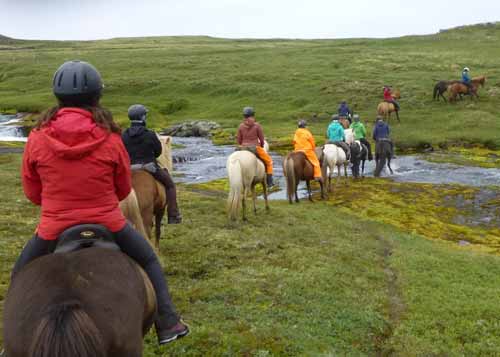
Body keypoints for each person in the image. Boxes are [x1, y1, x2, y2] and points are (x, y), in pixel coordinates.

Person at [13, 60, 189, 345]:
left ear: (57, 96)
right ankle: (167, 321)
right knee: (149, 260)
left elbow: (33, 194)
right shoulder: (110, 136)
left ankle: (14, 342)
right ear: (97, 96)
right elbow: (122, 189)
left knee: (20, 272)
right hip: (109, 223)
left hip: (52, 228)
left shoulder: (36, 137)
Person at [122, 104, 181, 224]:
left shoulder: (124, 135)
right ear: (143, 117)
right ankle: (173, 215)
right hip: (149, 167)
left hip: (128, 169)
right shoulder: (150, 134)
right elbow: (158, 151)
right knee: (170, 185)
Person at [236, 106, 274, 186]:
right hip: (254, 148)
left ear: (244, 115)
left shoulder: (240, 126)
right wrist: (262, 145)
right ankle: (269, 181)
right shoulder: (257, 125)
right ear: (253, 115)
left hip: (242, 148)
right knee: (269, 161)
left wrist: (241, 145)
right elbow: (261, 138)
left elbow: (239, 140)